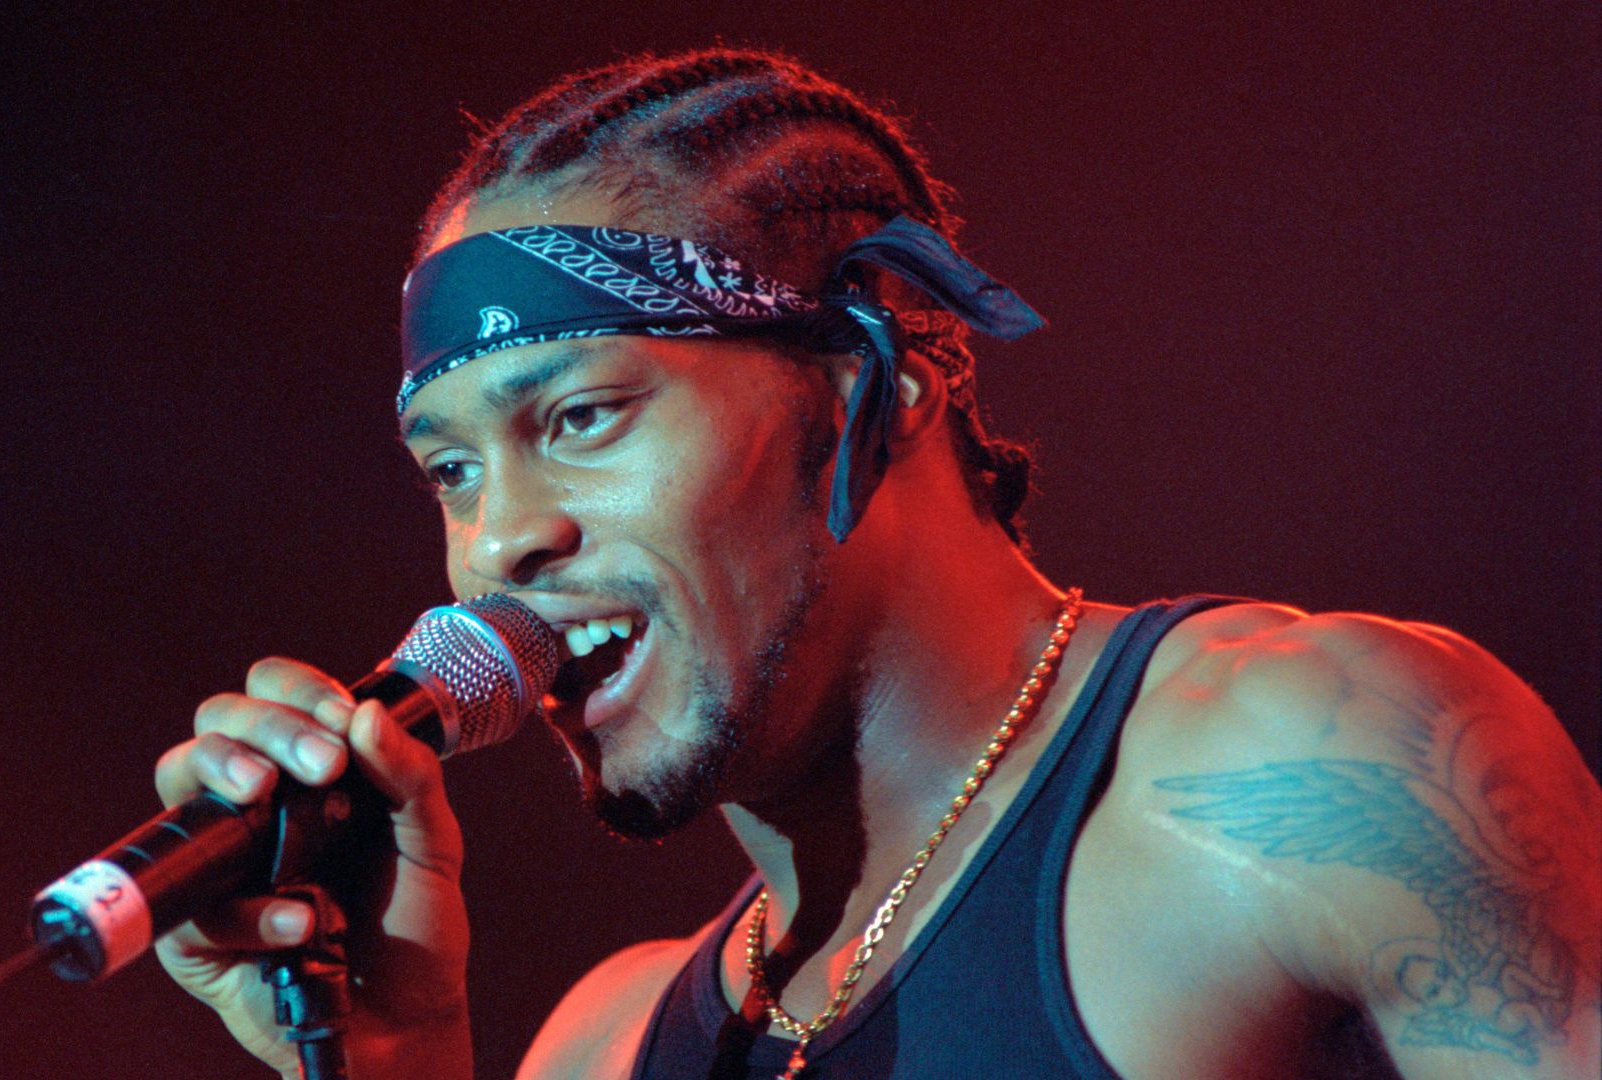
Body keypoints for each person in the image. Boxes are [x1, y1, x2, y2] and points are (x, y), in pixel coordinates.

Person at [147, 49, 1601, 1079]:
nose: (498, 539)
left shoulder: (1324, 767)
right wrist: (395, 1056)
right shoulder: (602, 1046)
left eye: (579, 418)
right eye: (452, 471)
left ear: (869, 392)